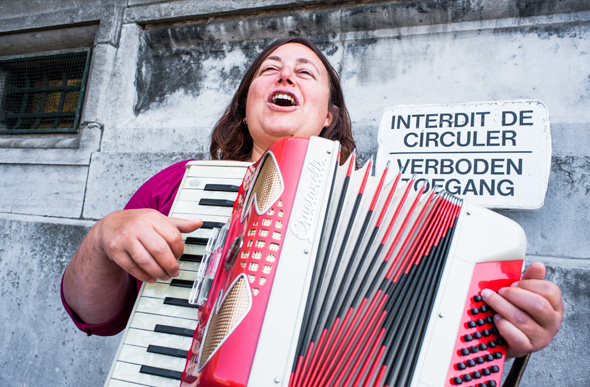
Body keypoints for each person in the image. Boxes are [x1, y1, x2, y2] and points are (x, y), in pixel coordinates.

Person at [62, 37, 563, 362]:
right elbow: (96, 317)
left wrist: (505, 333)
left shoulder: (390, 216)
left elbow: (436, 349)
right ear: (247, 102)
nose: (285, 76)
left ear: (328, 115)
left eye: (305, 72)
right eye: (270, 70)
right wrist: (103, 236)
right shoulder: (177, 186)